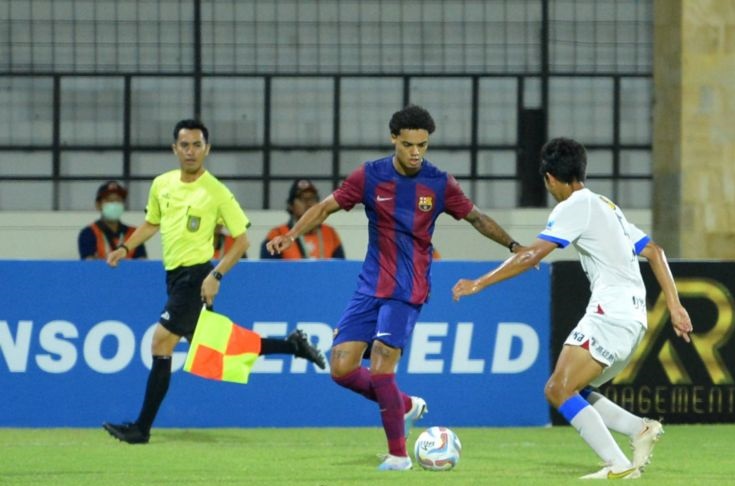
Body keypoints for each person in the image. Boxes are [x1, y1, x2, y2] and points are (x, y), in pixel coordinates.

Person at [267, 105, 525, 471]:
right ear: (394, 140)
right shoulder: (370, 176)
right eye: (408, 145)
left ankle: (399, 456)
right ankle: (405, 405)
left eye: (423, 145)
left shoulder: (439, 183)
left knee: (382, 363)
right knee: (341, 368)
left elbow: (477, 218)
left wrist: (514, 246)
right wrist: (292, 234)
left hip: (408, 288)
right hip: (370, 286)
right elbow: (324, 208)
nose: (416, 152)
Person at [452, 137, 694, 479]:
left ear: (550, 178)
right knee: (573, 388)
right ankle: (639, 428)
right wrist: (675, 306)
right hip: (634, 317)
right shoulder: (606, 206)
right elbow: (655, 251)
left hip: (611, 313)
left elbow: (532, 255)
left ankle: (619, 466)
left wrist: (479, 283)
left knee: (558, 389)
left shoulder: (574, 206)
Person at [101, 119, 326, 445]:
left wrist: (215, 275)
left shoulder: (217, 192)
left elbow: (242, 241)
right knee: (224, 345)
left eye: (197, 145)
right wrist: (125, 247)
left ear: (207, 149)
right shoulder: (162, 184)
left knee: (160, 343)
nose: (190, 151)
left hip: (195, 276)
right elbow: (151, 223)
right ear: (174, 148)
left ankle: (141, 429)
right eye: (184, 145)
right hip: (174, 277)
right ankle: (292, 345)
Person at [260, 178, 345, 260]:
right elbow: (269, 268)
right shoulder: (277, 235)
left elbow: (340, 266)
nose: (308, 203)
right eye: (302, 199)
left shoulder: (330, 233)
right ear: (291, 205)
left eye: (312, 198)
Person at [78, 180, 147, 260]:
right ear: (98, 205)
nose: (114, 204)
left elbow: (142, 263)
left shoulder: (134, 234)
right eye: (109, 200)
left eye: (118, 200)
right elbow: (89, 264)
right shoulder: (88, 233)